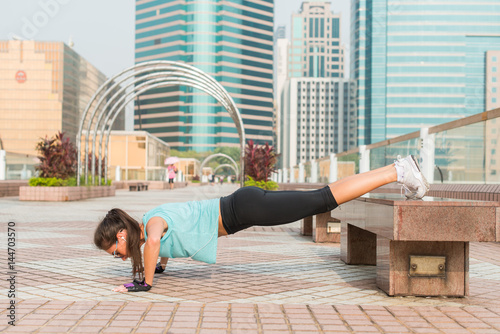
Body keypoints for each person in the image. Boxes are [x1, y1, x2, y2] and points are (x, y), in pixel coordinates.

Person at [94, 155, 429, 292]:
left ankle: (398, 171)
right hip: (243, 206)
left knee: (323, 199)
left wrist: (145, 284)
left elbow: (155, 242)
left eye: (114, 250)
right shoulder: (151, 223)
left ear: (122, 234)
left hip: (245, 208)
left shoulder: (152, 225)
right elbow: (161, 245)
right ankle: (399, 172)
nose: (118, 257)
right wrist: (161, 268)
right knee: (321, 199)